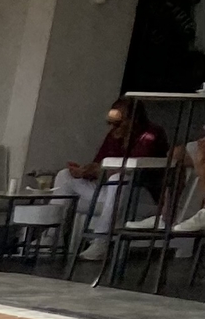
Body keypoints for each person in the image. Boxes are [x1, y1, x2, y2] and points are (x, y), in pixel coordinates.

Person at [53, 97, 167, 253]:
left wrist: (100, 169)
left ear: (132, 120)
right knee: (65, 176)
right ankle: (52, 238)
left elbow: (133, 168)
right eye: (111, 123)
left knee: (118, 179)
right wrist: (85, 171)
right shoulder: (114, 134)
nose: (113, 128)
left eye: (118, 123)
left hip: (140, 193)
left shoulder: (151, 134)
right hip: (111, 192)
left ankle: (101, 241)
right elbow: (100, 163)